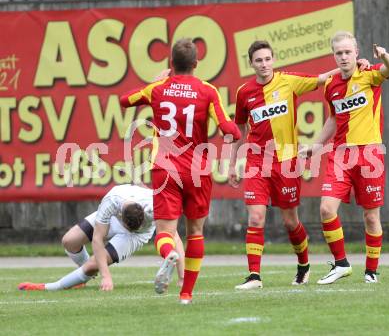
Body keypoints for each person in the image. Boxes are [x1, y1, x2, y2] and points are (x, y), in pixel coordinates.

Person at [120, 38, 241, 304]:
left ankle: (168, 256)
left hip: (165, 169)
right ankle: (186, 293)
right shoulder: (207, 91)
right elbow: (230, 130)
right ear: (196, 64)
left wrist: (154, 82)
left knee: (165, 232)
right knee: (195, 231)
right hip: (197, 170)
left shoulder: (159, 88)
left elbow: (124, 100)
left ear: (171, 64)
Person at [228, 40, 348, 290]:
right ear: (251, 63)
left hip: (286, 163)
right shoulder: (243, 92)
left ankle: (304, 264)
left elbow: (323, 78)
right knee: (256, 217)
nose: (264, 64)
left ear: (274, 59)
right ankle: (254, 276)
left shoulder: (288, 81)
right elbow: (239, 129)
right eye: (258, 60)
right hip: (256, 161)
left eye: (267, 59)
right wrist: (231, 163)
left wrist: (356, 65)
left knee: (290, 222)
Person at [298, 31, 389, 284]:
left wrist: (384, 55)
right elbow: (333, 118)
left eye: (347, 52)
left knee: (371, 216)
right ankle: (341, 264)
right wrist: (316, 146)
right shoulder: (331, 85)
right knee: (326, 208)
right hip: (341, 154)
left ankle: (371, 271)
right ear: (334, 55)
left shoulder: (369, 75)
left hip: (369, 153)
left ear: (356, 53)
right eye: (338, 53)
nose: (343, 57)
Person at [18, 184, 185, 291]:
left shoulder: (155, 205)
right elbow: (98, 239)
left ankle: (49, 287)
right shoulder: (111, 202)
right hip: (112, 220)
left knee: (94, 263)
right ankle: (83, 277)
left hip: (137, 236)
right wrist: (106, 276)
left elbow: (174, 238)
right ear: (120, 214)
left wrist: (182, 278)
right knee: (69, 241)